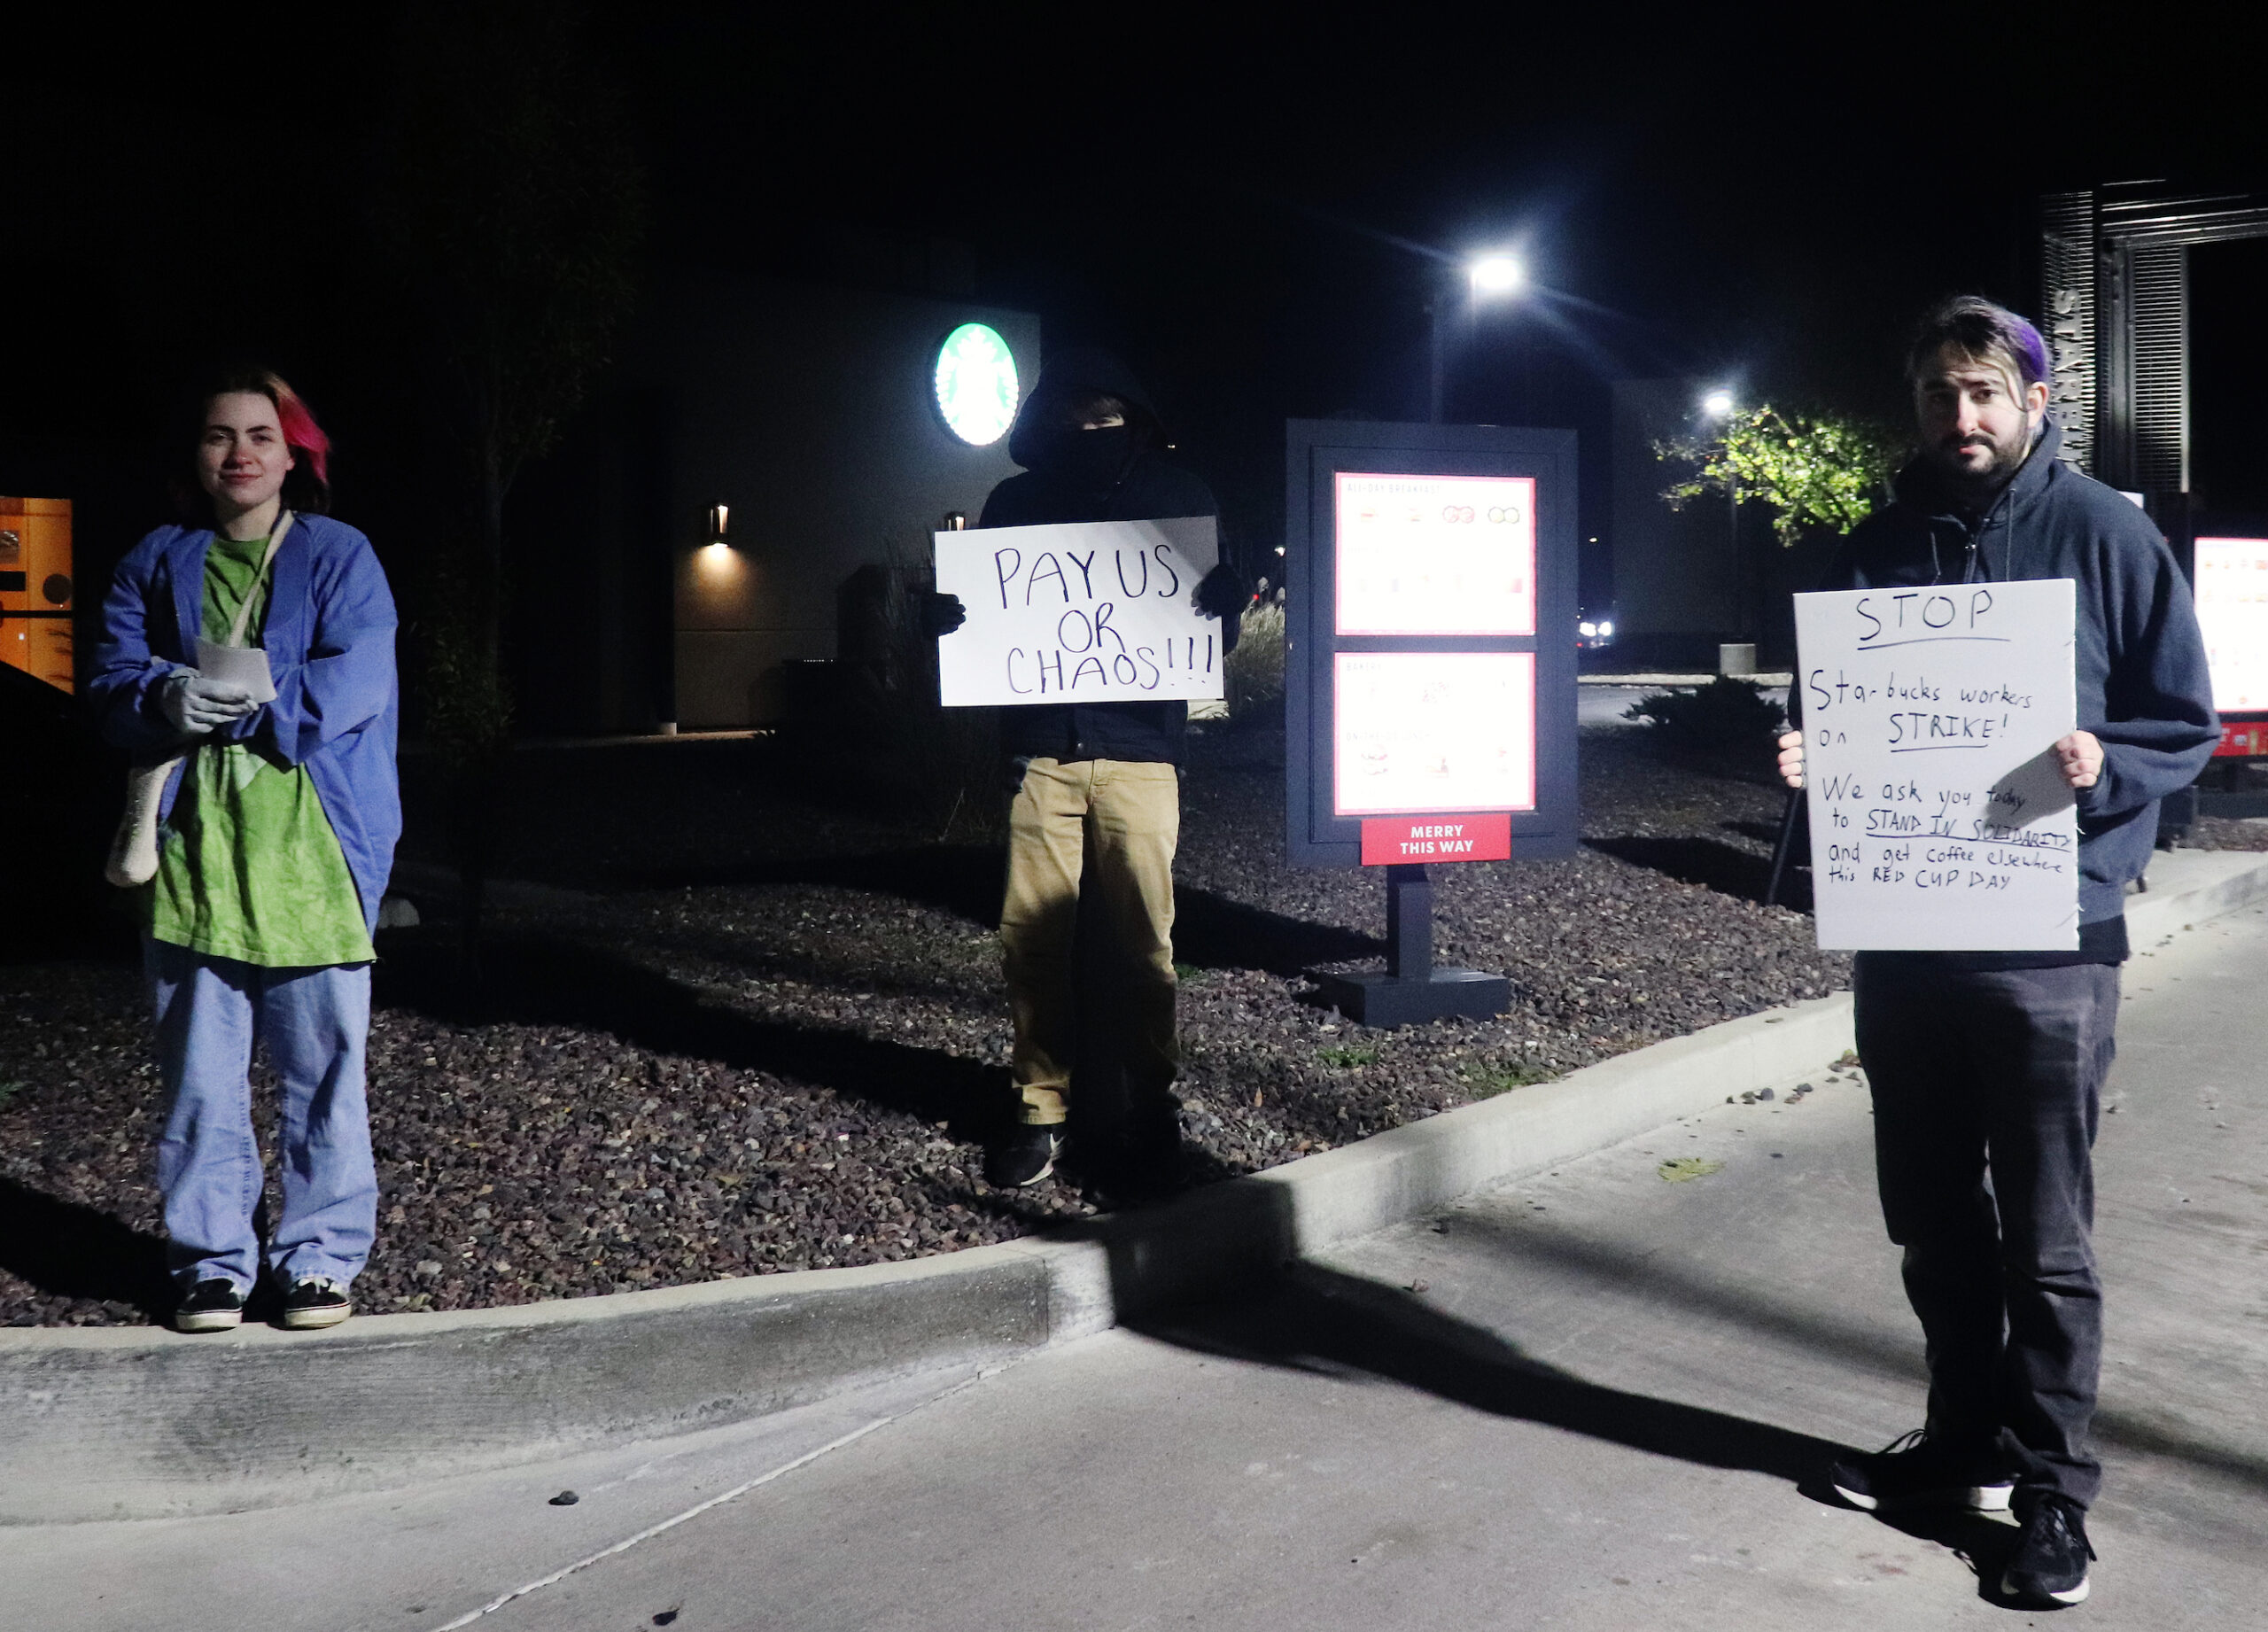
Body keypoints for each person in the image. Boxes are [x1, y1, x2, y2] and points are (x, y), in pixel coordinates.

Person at [1776, 297, 2217, 1606]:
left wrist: (2106, 761)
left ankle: (2052, 1493)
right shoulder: (1879, 538)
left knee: (2046, 1235)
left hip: (2049, 938)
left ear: (2033, 399)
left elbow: (2180, 721)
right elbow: (1837, 707)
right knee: (1929, 1218)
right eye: (1935, 392)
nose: (1958, 417)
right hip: (1908, 931)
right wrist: (1809, 757)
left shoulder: (2106, 532)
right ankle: (1960, 1440)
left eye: (1981, 391)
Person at [90, 369, 400, 1333]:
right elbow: (106, 677)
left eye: (261, 435)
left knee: (324, 1072)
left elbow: (359, 680)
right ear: (195, 455)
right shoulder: (157, 556)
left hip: (311, 851)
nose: (240, 454)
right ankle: (211, 1263)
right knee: (199, 1076)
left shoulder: (339, 553)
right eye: (219, 436)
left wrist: (249, 711)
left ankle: (318, 1261)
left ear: (293, 452)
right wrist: (155, 697)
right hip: (193, 852)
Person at [930, 346, 1246, 1191]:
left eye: (1105, 410)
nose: (1089, 424)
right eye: (1074, 411)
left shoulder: (1180, 498)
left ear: (1136, 414)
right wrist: (948, 619)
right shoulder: (1015, 502)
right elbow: (985, 622)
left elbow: (1212, 635)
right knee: (1030, 940)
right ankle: (1040, 1109)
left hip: (1143, 753)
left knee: (1146, 945)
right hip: (1040, 752)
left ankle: (1150, 1105)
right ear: (1045, 419)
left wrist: (1225, 609)